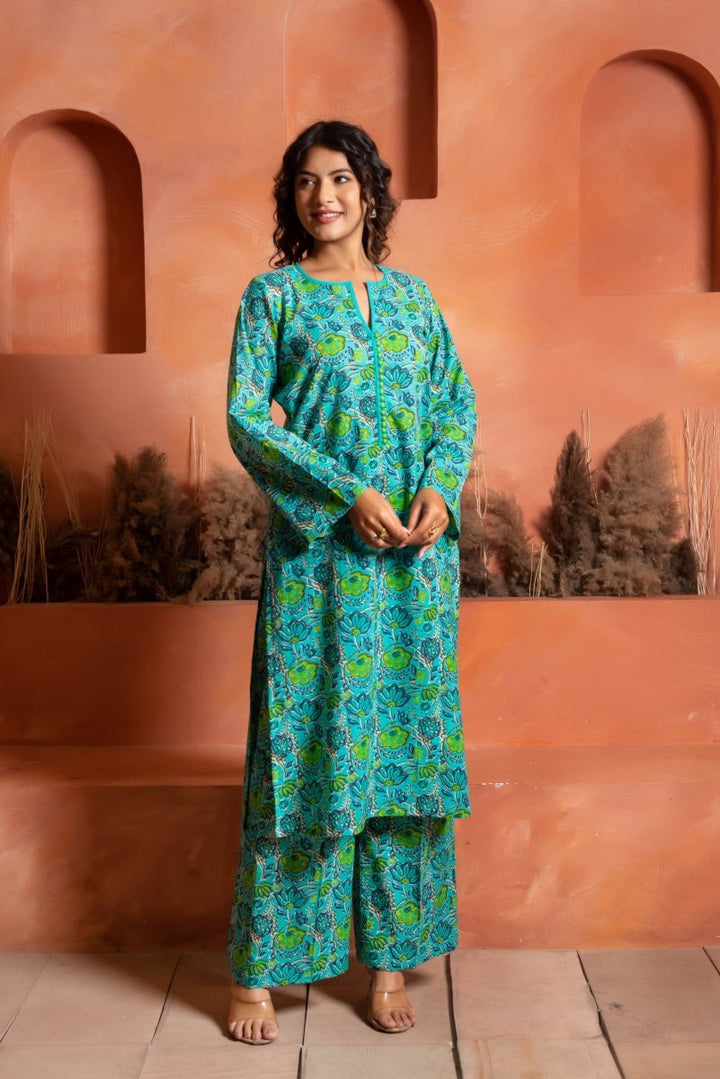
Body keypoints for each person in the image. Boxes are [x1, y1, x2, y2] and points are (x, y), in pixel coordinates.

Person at [225, 120, 476, 1045]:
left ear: (370, 191)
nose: (322, 195)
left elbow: (455, 401)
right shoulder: (274, 297)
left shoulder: (414, 299)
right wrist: (344, 493)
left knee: (403, 754)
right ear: (290, 200)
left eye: (339, 178)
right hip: (319, 566)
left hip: (412, 566)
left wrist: (440, 488)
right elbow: (247, 419)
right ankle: (261, 969)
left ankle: (389, 960)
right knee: (303, 746)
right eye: (304, 181)